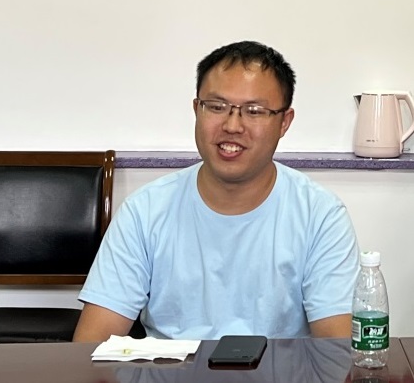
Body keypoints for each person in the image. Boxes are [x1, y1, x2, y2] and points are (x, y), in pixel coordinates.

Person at [73, 40, 359, 342]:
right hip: (173, 368)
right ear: (196, 110)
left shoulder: (320, 216)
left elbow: (338, 349)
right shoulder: (144, 211)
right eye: (217, 107)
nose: (233, 126)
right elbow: (92, 344)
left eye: (254, 111)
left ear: (284, 123)